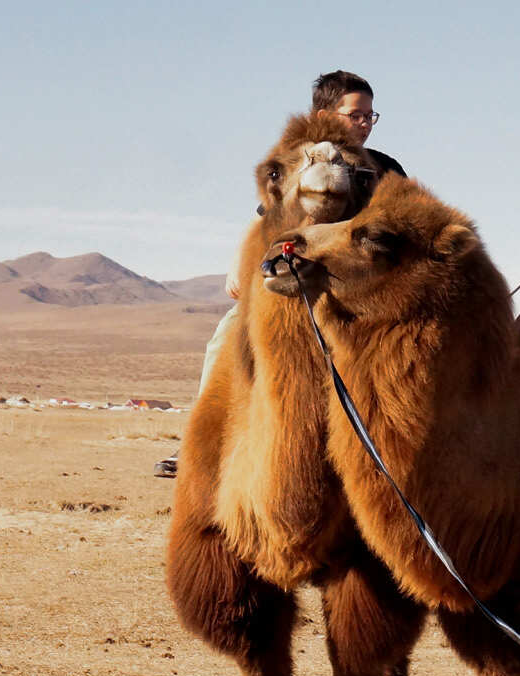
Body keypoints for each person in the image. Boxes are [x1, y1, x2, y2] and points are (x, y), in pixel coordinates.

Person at [155, 70, 405, 477]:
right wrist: (241, 264)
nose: (364, 124)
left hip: (356, 288)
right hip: (289, 283)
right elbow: (265, 218)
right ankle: (199, 449)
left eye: (370, 116)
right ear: (326, 113)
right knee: (226, 340)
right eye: (356, 114)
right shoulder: (295, 160)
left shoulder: (384, 168)